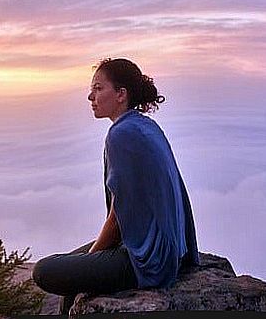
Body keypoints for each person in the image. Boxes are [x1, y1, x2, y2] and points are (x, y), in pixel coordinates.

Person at [32, 58, 200, 315]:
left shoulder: (121, 135)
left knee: (45, 271)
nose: (90, 96)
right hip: (164, 251)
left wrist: (92, 258)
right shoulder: (145, 126)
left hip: (146, 260)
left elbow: (118, 218)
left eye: (99, 89)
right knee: (70, 274)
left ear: (121, 94)